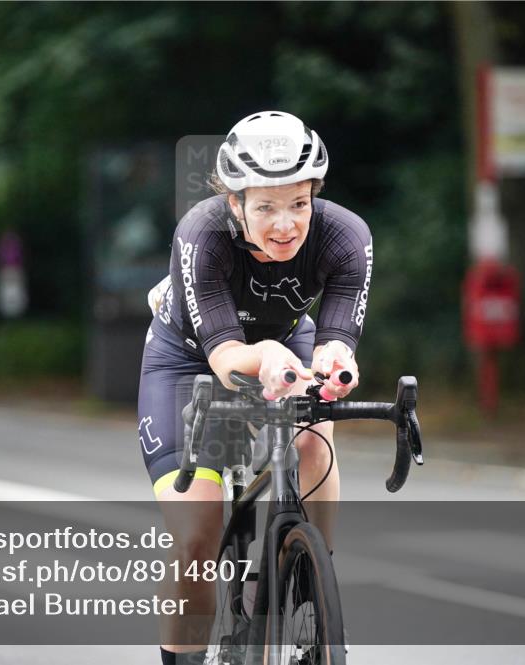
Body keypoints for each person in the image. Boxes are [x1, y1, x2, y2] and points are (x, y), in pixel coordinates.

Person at [138, 111, 372, 664]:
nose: (286, 224)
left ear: (315, 194)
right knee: (197, 535)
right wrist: (266, 355)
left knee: (314, 438)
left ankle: (313, 569)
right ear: (235, 202)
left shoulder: (346, 237)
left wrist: (338, 361)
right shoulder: (202, 234)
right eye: (265, 206)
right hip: (190, 362)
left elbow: (337, 338)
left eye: (298, 204)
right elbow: (225, 359)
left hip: (286, 346)